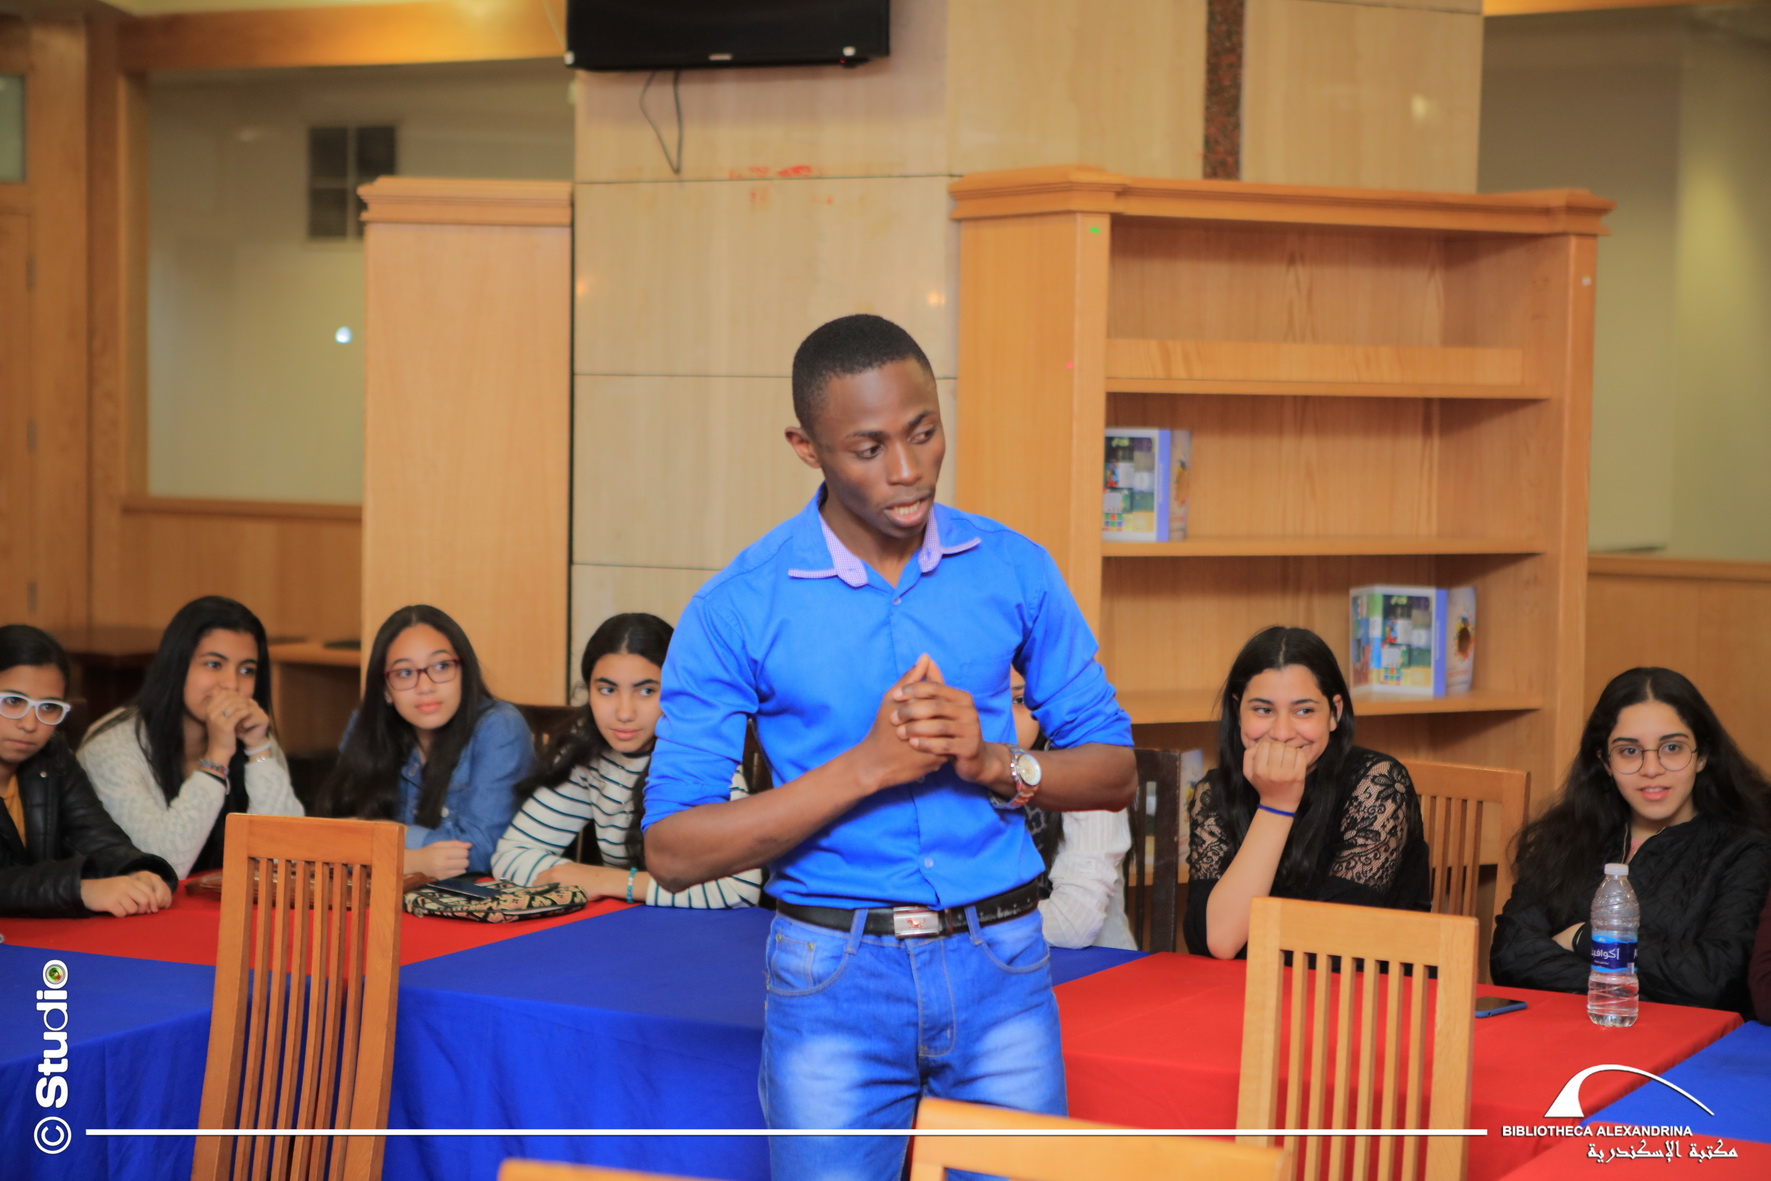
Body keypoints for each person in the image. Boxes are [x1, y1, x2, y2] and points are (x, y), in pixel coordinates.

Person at [640, 313, 1136, 1180]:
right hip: (830, 974)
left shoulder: (1013, 567)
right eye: (867, 448)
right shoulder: (738, 605)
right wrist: (864, 768)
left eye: (923, 432)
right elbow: (673, 851)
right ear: (806, 447)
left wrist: (994, 762)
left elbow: (1115, 771)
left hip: (1002, 959)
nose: (907, 469)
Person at [1492, 667, 1771, 1014]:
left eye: (1672, 747)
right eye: (1628, 751)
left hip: (1683, 1040)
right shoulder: (1566, 835)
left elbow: (1712, 979)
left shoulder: (1744, 850)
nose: (1651, 769)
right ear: (1605, 762)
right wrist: (1632, 987)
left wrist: (1583, 937)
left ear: (1702, 755)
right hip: (1565, 1026)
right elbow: (1510, 954)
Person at [1185, 626, 1428, 960]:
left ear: (1335, 712)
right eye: (1263, 710)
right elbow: (1217, 941)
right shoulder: (1215, 791)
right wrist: (1275, 806)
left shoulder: (1377, 785)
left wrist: (1278, 804)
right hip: (1252, 985)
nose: (1282, 733)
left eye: (1304, 711)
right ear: (1238, 711)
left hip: (1364, 986)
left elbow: (1331, 946)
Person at [491, 612, 762, 907]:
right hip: (623, 922)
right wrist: (584, 878)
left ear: (675, 690)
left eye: (646, 691)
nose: (624, 713)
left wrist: (605, 881)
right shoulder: (589, 750)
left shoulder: (705, 760)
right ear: (588, 690)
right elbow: (510, 854)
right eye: (607, 690)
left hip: (699, 929)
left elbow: (740, 890)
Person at [79, 596, 303, 879]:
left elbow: (286, 861)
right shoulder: (112, 746)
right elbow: (163, 864)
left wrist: (259, 750)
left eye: (247, 670)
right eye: (214, 664)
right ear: (177, 665)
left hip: (226, 903)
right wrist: (216, 758)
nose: (232, 684)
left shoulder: (254, 737)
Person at [316, 604, 528, 878]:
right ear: (386, 690)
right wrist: (414, 860)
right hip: (384, 896)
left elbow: (482, 851)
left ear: (464, 673)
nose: (425, 687)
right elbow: (329, 840)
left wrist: (387, 836)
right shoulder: (365, 727)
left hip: (473, 899)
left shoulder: (499, 726)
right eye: (405, 673)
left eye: (441, 666)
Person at [0, 625, 178, 916]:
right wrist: (81, 889)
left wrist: (137, 871)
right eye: (13, 702)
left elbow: (100, 839)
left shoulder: (52, 756)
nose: (30, 724)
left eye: (48, 707)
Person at [1009, 671, 1136, 950]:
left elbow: (1073, 925)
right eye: (985, 702)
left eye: (1018, 700)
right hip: (993, 963)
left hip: (1092, 967)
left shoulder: (1087, 766)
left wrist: (963, 923)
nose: (999, 718)